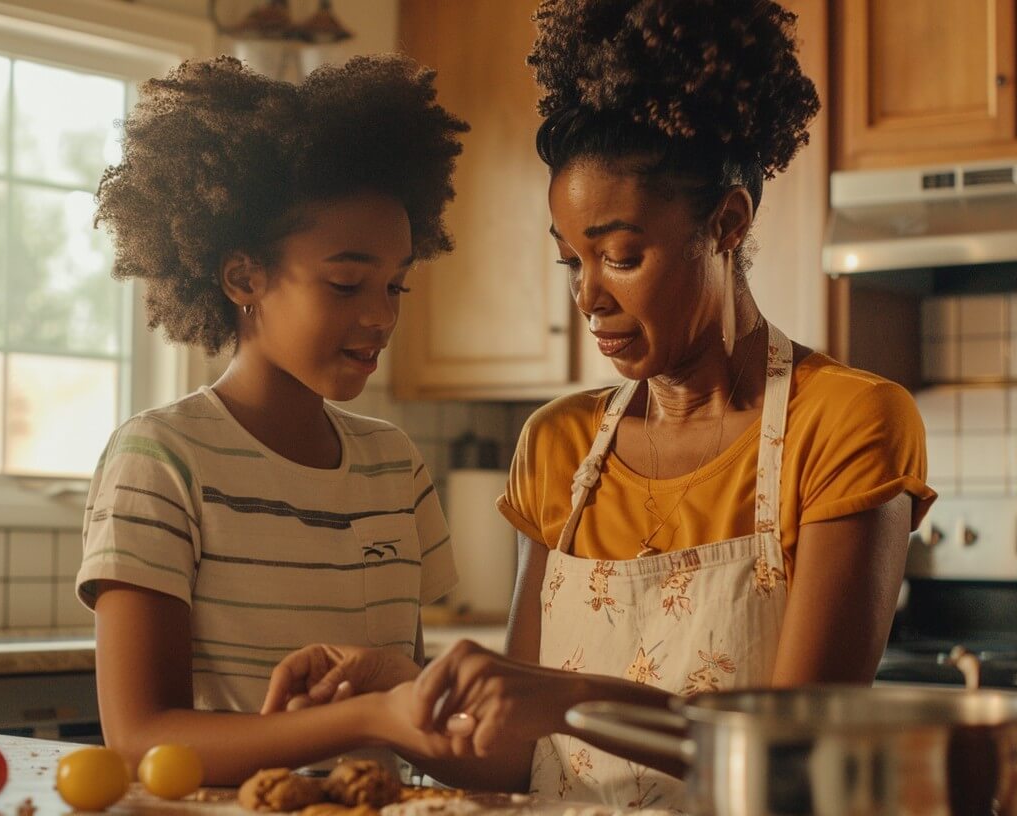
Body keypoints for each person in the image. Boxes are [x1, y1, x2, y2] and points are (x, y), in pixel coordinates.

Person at [263, 0, 937, 808]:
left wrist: (568, 697)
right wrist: (399, 696)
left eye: (620, 255)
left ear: (727, 223)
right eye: (570, 260)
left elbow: (799, 756)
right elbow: (519, 756)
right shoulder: (559, 444)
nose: (589, 296)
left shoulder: (847, 424)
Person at [76, 54, 467, 784]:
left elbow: (405, 695)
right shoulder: (162, 460)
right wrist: (363, 717)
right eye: (347, 282)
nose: (381, 315)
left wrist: (405, 698)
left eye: (395, 284)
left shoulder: (394, 466)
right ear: (241, 277)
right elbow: (139, 740)